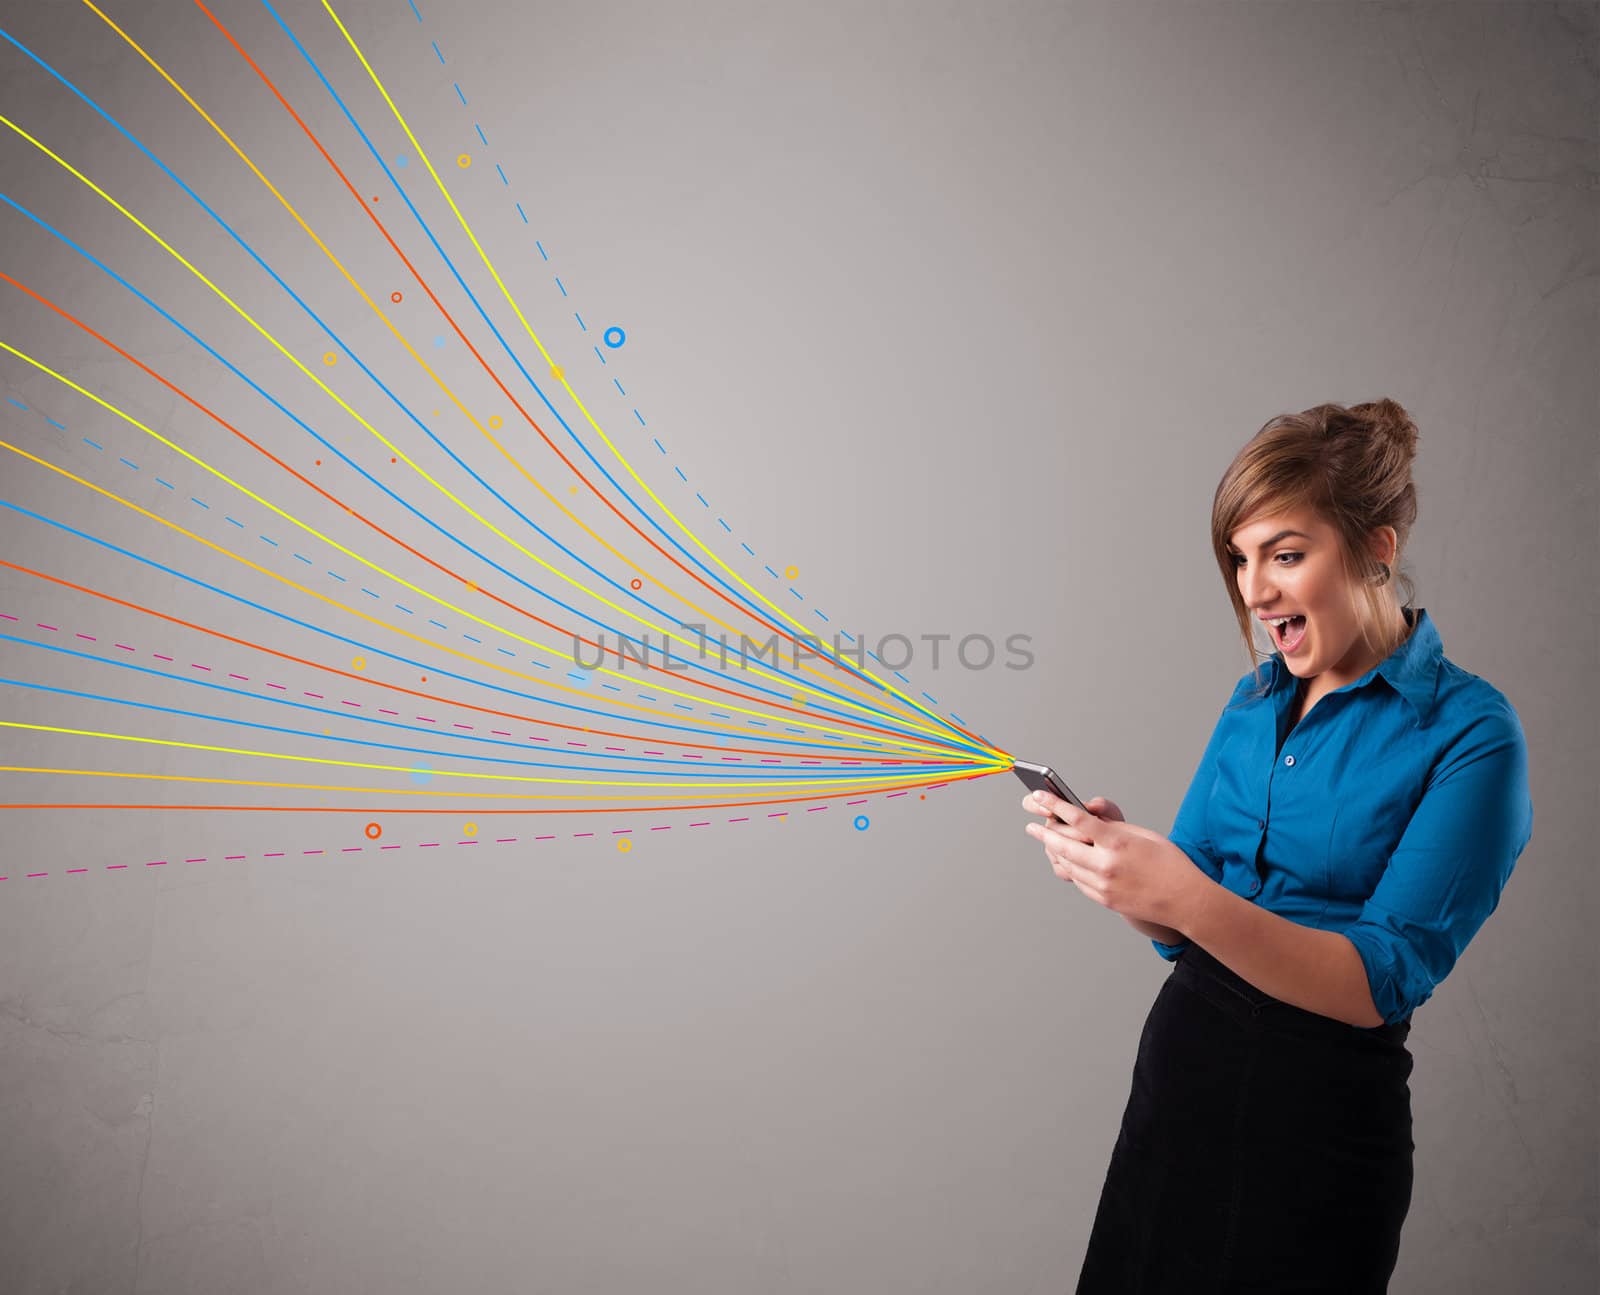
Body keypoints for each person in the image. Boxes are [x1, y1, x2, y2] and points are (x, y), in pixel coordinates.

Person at [1019, 398, 1535, 1293]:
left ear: (1377, 547)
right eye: (1241, 558)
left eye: (1285, 554)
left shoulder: (1472, 735)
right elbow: (1183, 926)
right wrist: (1120, 866)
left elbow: (1378, 979)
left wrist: (1179, 893)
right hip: (1175, 1100)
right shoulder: (1252, 705)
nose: (1255, 590)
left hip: (1317, 1133)